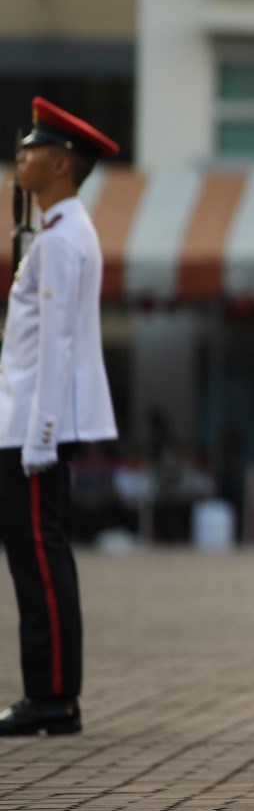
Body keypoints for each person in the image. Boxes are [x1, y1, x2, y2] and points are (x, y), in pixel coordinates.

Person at [0, 99, 118, 737]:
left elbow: (56, 344)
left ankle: (50, 696)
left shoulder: (62, 239)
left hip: (33, 426)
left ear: (63, 164)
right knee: (37, 556)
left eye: (33, 149)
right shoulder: (58, 233)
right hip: (29, 421)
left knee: (39, 560)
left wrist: (41, 434)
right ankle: (51, 693)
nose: (21, 157)